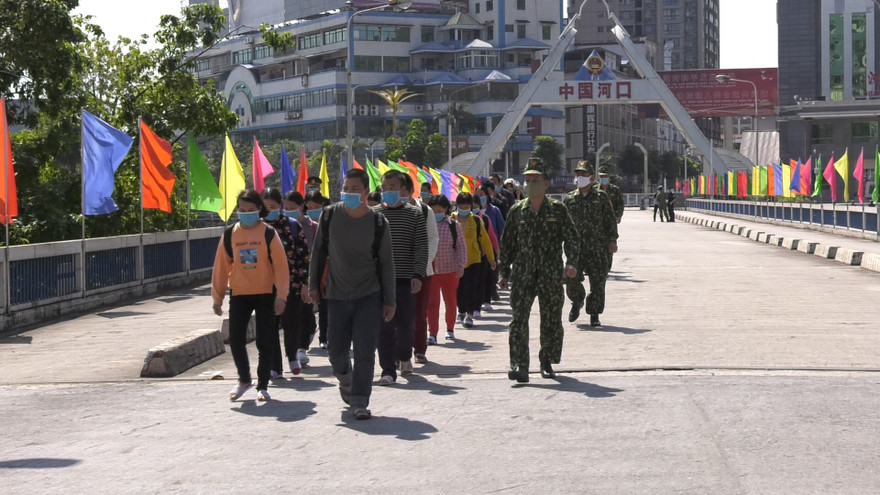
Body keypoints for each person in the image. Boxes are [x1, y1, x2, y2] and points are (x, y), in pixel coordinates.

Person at [308, 169, 395, 420]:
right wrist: (313, 285)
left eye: (355, 189)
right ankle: (346, 379)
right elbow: (318, 253)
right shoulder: (329, 215)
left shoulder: (378, 222)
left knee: (365, 352)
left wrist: (390, 300)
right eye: (346, 189)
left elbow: (386, 263)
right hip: (336, 295)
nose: (349, 193)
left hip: (369, 295)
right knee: (336, 351)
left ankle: (360, 401)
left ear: (366, 192)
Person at [497, 158, 578, 383]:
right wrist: (503, 272)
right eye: (528, 179)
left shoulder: (558, 210)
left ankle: (547, 361)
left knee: (551, 319)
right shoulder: (517, 211)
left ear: (546, 183)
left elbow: (572, 238)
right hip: (522, 274)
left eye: (536, 179)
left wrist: (571, 262)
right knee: (518, 319)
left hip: (550, 273)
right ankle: (519, 365)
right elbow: (507, 243)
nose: (530, 183)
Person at [212, 189, 290, 402]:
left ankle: (262, 385)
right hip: (239, 294)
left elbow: (281, 267)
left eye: (251, 210)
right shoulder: (230, 234)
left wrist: (282, 296)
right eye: (242, 210)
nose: (246, 213)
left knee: (265, 341)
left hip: (265, 293)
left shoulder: (268, 233)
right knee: (236, 339)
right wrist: (217, 298)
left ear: (259, 209)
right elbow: (221, 268)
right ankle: (244, 380)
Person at [375, 170, 429, 385]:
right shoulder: (374, 214)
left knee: (406, 325)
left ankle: (405, 355)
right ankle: (387, 370)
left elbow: (421, 246)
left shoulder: (414, 214)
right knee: (384, 327)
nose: (388, 191)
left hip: (405, 279)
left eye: (393, 187)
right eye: (385, 187)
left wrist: (418, 273)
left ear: (402, 189)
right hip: (380, 281)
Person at [262, 188, 311, 378]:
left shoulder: (292, 226)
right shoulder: (257, 227)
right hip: (265, 286)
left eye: (272, 206)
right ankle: (275, 367)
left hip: (292, 284)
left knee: (291, 324)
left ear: (280, 206)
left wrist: (305, 283)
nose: (269, 210)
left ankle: (292, 355)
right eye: (265, 207)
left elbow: (304, 257)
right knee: (269, 327)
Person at [564, 162, 619, 328]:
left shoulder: (601, 197)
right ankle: (577, 300)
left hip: (598, 247)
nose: (580, 177)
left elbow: (610, 220)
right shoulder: (569, 199)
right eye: (578, 174)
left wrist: (613, 240)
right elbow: (564, 224)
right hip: (576, 248)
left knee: (598, 282)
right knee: (571, 279)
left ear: (592, 178)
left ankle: (594, 314)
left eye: (584, 174)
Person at [425, 194, 467, 348]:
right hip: (431, 271)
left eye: (440, 210)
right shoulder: (425, 224)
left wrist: (461, 265)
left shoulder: (453, 225)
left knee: (450, 301)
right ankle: (432, 333)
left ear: (446, 209)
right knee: (432, 304)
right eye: (434, 210)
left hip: (450, 270)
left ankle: (450, 329)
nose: (437, 213)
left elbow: (461, 247)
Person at [451, 193, 495, 333]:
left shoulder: (476, 220)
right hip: (456, 260)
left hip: (473, 259)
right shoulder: (451, 219)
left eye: (467, 205)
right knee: (459, 288)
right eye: (461, 205)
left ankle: (469, 314)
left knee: (471, 287)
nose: (464, 208)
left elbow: (485, 241)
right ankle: (461, 311)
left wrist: (491, 259)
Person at [408, 176, 439, 366]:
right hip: (396, 271)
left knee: (420, 312)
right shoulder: (384, 211)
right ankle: (399, 352)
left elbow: (433, 238)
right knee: (397, 314)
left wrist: (423, 261)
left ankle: (419, 350)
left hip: (422, 271)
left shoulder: (425, 211)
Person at [304, 190, 330, 351]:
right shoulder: (302, 225)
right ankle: (311, 329)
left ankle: (325, 337)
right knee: (308, 305)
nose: (312, 210)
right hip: (306, 271)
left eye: (316, 207)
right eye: (309, 207)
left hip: (325, 269)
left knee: (325, 305)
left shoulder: (329, 223)